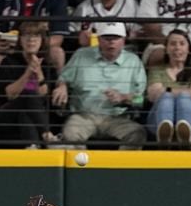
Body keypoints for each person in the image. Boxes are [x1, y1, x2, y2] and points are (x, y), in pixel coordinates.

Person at [52, 20, 147, 148]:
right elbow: (63, 79)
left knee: (137, 133)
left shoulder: (133, 61)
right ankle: (81, 167)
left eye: (116, 38)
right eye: (107, 38)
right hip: (84, 116)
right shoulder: (82, 55)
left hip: (117, 117)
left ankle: (123, 167)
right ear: (99, 40)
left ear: (124, 40)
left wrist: (124, 97)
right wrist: (62, 86)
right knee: (71, 133)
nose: (111, 42)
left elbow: (142, 99)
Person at [0, 21, 58, 147]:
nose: (31, 40)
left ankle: (32, 146)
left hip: (34, 115)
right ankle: (47, 134)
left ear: (42, 41)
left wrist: (38, 72)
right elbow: (10, 95)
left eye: (36, 36)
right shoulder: (9, 62)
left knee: (25, 113)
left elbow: (44, 94)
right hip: (7, 113)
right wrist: (28, 72)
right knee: (28, 93)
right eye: (27, 35)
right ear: (20, 40)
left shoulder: (47, 65)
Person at [146, 28, 191, 145]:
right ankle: (164, 136)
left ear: (188, 48)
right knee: (167, 98)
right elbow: (153, 95)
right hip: (157, 119)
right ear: (167, 49)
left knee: (181, 97)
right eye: (173, 44)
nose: (177, 48)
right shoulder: (156, 70)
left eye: (182, 43)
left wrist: (167, 90)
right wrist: (181, 92)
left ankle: (184, 136)